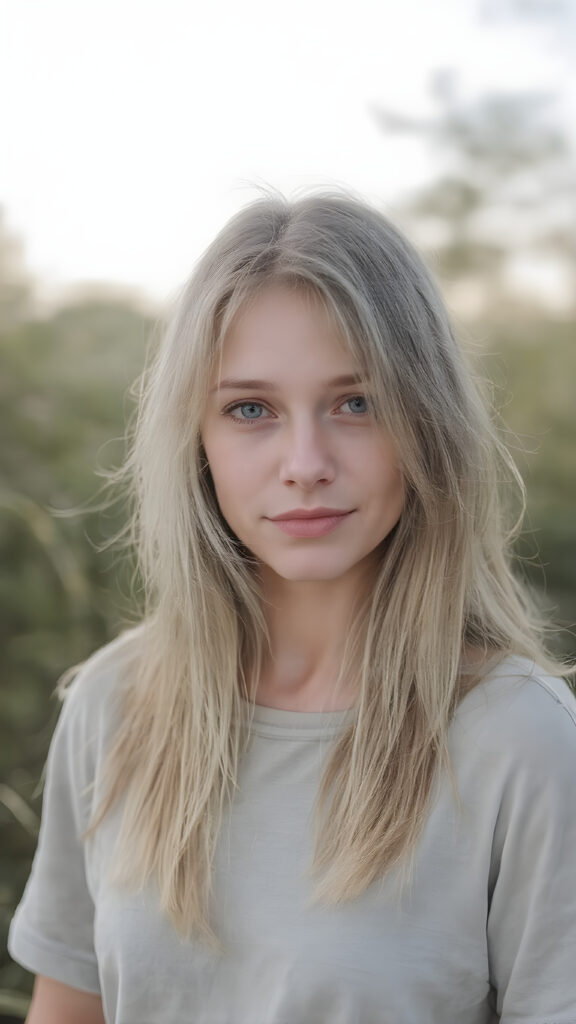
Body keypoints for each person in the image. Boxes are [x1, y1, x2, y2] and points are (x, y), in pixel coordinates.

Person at [8, 187, 576, 1024]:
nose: (305, 462)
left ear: (428, 423)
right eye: (251, 410)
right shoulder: (113, 704)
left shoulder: (521, 741)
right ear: (195, 441)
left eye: (358, 403)